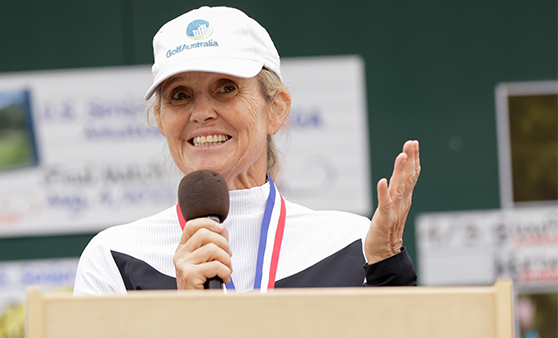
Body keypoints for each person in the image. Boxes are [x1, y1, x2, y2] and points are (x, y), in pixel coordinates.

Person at [73, 6, 420, 295]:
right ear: (160, 120)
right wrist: (179, 313)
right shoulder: (116, 258)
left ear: (277, 108)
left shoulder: (351, 244)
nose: (202, 112)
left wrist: (388, 269)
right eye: (180, 95)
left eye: (226, 88)